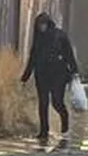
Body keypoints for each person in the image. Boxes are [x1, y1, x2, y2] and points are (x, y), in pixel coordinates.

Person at [21, 10, 79, 146]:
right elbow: (33, 58)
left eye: (43, 24)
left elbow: (69, 54)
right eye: (39, 25)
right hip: (41, 75)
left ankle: (64, 121)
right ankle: (44, 131)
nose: (41, 27)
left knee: (57, 102)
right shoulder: (38, 38)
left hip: (58, 74)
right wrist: (25, 77)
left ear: (48, 23)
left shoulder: (59, 35)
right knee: (43, 103)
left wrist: (74, 71)